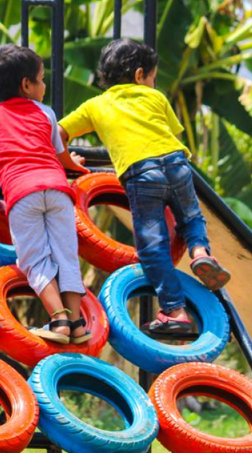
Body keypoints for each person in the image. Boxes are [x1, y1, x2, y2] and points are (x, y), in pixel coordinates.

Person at [58, 38, 231, 336]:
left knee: (153, 245)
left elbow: (57, 132)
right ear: (140, 75)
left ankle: (175, 310)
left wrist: (68, 161)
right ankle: (200, 252)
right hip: (177, 163)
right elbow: (172, 132)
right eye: (153, 77)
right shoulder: (155, 97)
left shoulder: (95, 105)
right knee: (190, 217)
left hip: (141, 174)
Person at [0, 44, 90, 345]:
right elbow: (60, 156)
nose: (44, 86)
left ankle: (59, 320)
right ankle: (76, 322)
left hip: (22, 196)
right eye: (42, 79)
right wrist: (75, 164)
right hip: (58, 191)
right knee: (65, 255)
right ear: (26, 85)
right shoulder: (45, 113)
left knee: (34, 259)